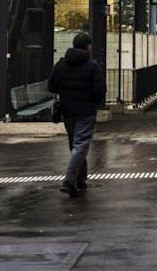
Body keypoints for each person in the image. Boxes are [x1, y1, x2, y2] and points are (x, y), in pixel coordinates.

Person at [47, 32, 106, 197]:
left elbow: (51, 86)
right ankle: (69, 179)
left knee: (75, 144)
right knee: (80, 145)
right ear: (88, 46)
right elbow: (100, 90)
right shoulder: (92, 66)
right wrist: (94, 102)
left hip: (67, 111)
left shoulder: (61, 64)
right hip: (86, 111)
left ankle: (81, 178)